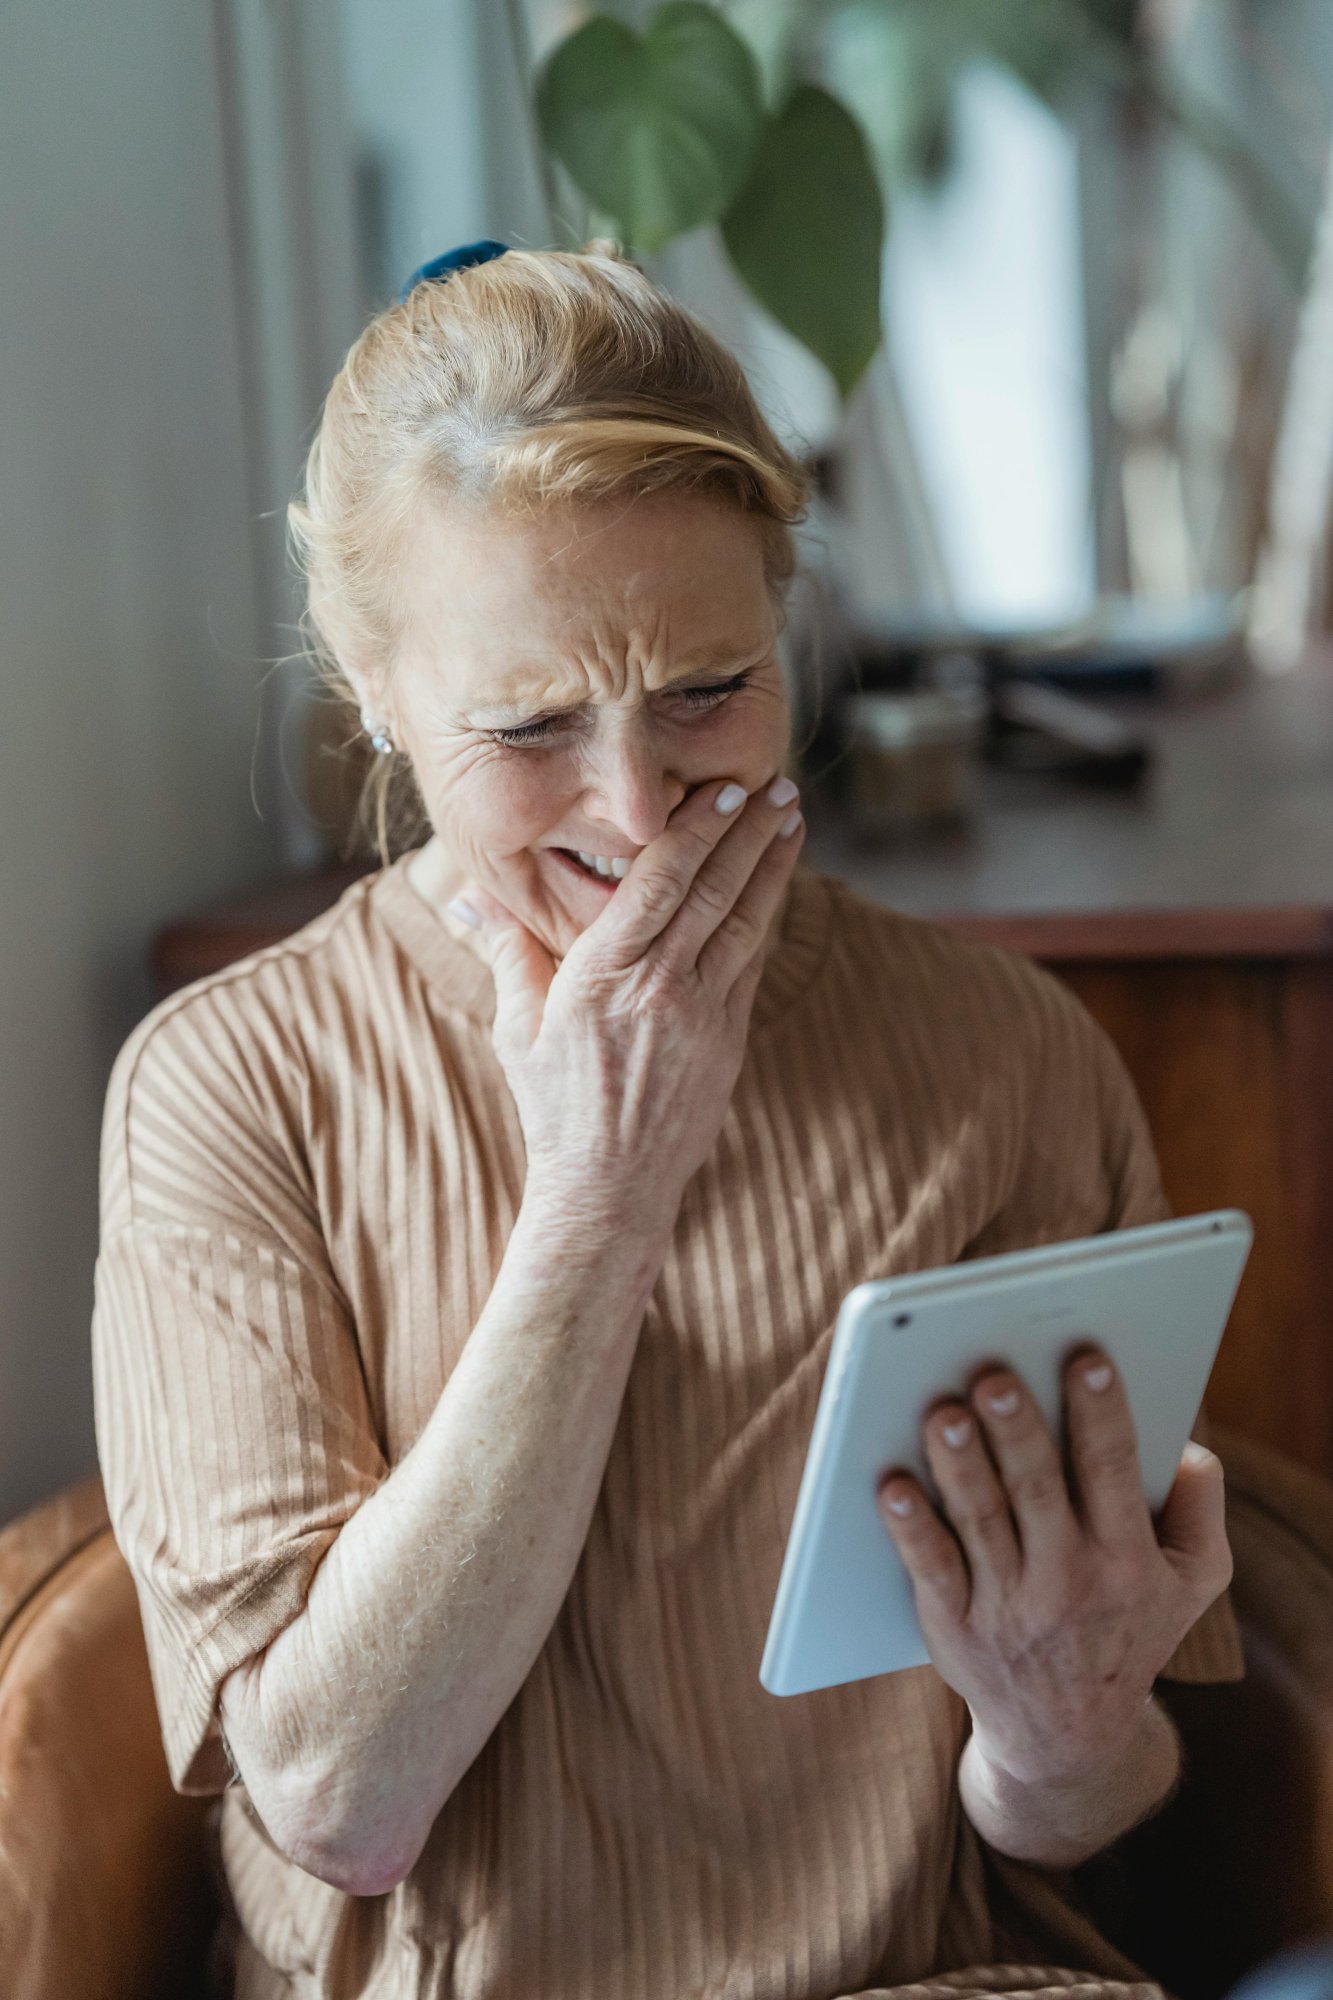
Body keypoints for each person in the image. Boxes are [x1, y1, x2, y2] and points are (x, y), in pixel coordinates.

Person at [91, 240, 1245, 2000]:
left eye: (708, 690)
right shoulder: (233, 1086)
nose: (637, 811)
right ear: (370, 687)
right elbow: (337, 1801)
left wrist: (1052, 1730)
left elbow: (1092, 1811)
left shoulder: (1008, 1056)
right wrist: (595, 1197)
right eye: (528, 723)